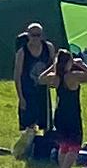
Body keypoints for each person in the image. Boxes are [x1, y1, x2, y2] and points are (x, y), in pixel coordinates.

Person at [13, 24, 55, 159]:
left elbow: (53, 67)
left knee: (46, 123)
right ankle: (26, 150)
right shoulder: (22, 52)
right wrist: (21, 97)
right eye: (33, 35)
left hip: (43, 92)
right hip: (28, 91)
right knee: (29, 124)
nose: (36, 38)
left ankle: (45, 150)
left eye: (38, 35)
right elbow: (17, 75)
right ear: (28, 35)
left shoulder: (48, 48)